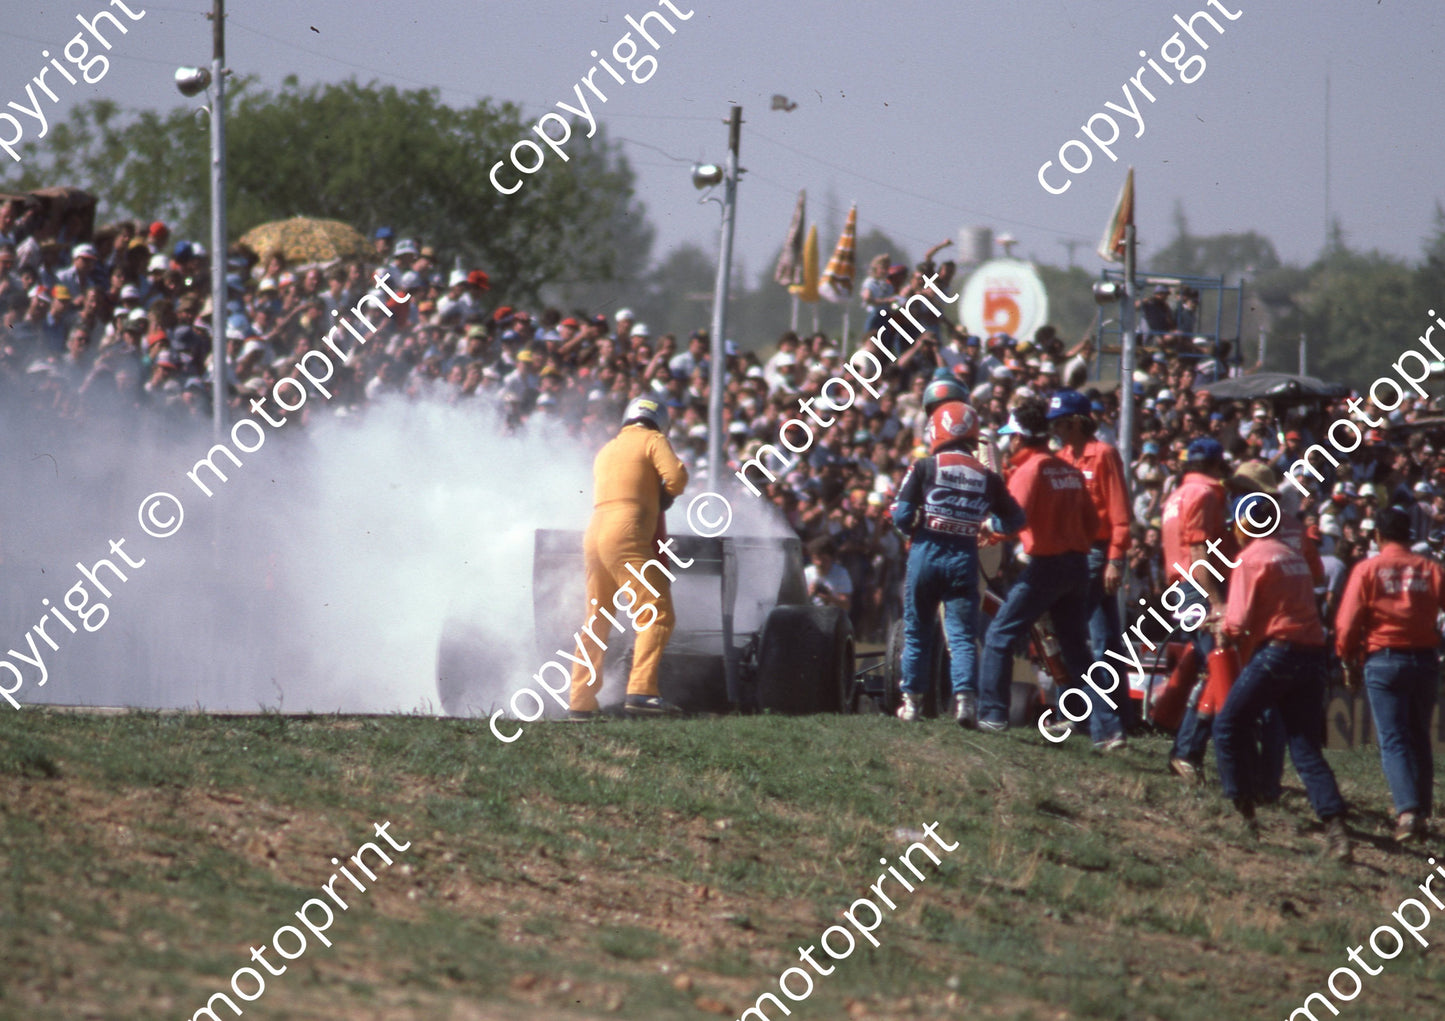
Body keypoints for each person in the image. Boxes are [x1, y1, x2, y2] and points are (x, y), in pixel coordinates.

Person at [1213, 492, 1350, 858]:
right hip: (1311, 654)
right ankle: (1336, 828)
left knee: (1228, 725)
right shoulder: (1296, 557)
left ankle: (1243, 814)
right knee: (1305, 748)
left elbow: (1238, 622)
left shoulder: (1249, 560)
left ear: (1244, 525)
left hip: (1276, 652)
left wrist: (1220, 624)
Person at [891, 400, 1023, 725]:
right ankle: (965, 702)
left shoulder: (924, 466)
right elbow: (1016, 519)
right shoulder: (987, 475)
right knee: (962, 635)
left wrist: (914, 526)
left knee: (918, 630)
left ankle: (912, 704)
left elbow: (901, 516)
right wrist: (990, 528)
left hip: (926, 553)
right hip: (964, 556)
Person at [976, 397, 1097, 732]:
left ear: (1017, 438)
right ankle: (1095, 721)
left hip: (1046, 566)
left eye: (1010, 437)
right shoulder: (1069, 469)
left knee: (1000, 634)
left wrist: (990, 532)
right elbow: (1092, 521)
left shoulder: (1029, 470)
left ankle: (993, 715)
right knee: (1074, 646)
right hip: (1078, 565)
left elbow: (1012, 519)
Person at [567, 396, 689, 719]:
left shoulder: (607, 449)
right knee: (658, 613)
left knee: (597, 618)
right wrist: (665, 496)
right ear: (659, 422)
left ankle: (580, 699)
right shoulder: (653, 439)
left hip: (594, 535)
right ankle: (642, 691)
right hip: (627, 531)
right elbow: (676, 476)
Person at [1335, 505, 1445, 843]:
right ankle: (1423, 812)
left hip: (1383, 658)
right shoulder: (1430, 569)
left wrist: (1346, 658)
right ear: (1409, 535)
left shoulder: (1368, 569)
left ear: (1378, 536)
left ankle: (1407, 811)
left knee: (1393, 738)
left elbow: (1347, 623)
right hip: (1425, 659)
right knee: (1418, 737)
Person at [1048, 388, 1131, 749]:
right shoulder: (1061, 457)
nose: (1056, 429)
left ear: (1078, 422)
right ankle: (1112, 722)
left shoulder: (1105, 454)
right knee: (1106, 642)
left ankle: (1091, 720)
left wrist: (1115, 558)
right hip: (1071, 553)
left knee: (1075, 638)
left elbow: (1119, 512)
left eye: (1061, 422)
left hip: (1095, 553)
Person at [1162, 437, 1229, 782]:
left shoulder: (1176, 495)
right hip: (1196, 588)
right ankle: (1187, 751)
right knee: (1218, 667)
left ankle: (1186, 750)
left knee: (1209, 668)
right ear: (1217, 464)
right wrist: (1216, 601)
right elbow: (1199, 551)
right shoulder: (1204, 495)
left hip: (1180, 588)